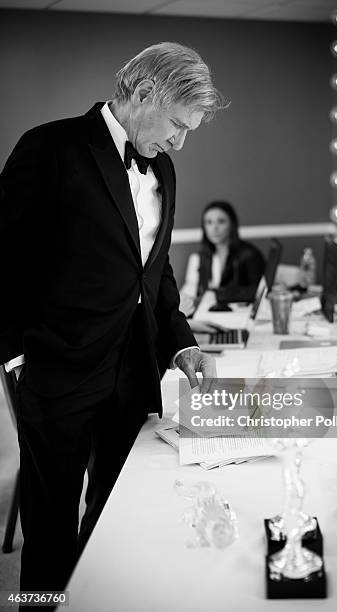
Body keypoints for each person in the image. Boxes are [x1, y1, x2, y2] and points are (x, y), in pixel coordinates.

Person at [0, 42, 227, 596]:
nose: (179, 141)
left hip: (133, 371)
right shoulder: (50, 148)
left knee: (117, 513)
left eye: (189, 131)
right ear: (143, 92)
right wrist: (17, 356)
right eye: (177, 124)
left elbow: (155, 270)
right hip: (60, 372)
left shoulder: (164, 169)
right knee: (51, 529)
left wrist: (180, 343)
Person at [180, 201, 265, 316]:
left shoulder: (249, 254)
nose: (214, 228)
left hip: (236, 315)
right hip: (204, 315)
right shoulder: (199, 257)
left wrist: (216, 294)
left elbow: (258, 291)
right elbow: (189, 290)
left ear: (232, 224)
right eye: (209, 222)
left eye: (221, 221)